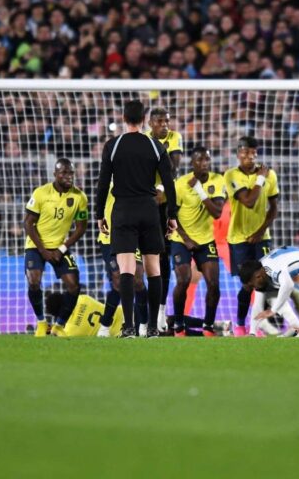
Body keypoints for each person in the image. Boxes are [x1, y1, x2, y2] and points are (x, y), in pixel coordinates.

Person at [96, 100, 178, 338]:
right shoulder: (155, 146)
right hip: (149, 211)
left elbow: (103, 183)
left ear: (124, 118)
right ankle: (152, 327)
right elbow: (169, 182)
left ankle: (129, 327)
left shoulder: (113, 145)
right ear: (144, 119)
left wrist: (100, 213)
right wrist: (171, 215)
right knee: (153, 270)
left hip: (122, 211)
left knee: (127, 270)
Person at [24, 158, 88, 337]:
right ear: (55, 174)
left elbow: (81, 227)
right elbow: (28, 224)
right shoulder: (41, 193)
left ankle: (59, 326)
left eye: (71, 173)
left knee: (74, 285)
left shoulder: (80, 197)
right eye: (64, 173)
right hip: (36, 246)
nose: (68, 177)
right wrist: (43, 250)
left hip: (60, 247)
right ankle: (42, 323)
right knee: (34, 281)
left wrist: (62, 248)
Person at [224, 136, 279, 336]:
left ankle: (258, 326)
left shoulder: (270, 175)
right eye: (245, 152)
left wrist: (260, 231)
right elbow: (248, 201)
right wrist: (261, 178)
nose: (250, 156)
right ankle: (239, 325)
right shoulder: (230, 175)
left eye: (253, 152)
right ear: (238, 154)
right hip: (238, 239)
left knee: (264, 282)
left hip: (262, 237)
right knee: (248, 284)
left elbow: (274, 208)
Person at [171, 146, 227, 337]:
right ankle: (178, 325)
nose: (204, 164)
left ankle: (208, 327)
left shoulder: (217, 180)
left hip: (205, 240)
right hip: (181, 239)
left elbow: (217, 213)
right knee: (184, 279)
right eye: (199, 160)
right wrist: (186, 239)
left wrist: (199, 190)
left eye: (206, 160)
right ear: (192, 163)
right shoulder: (180, 184)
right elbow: (170, 215)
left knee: (214, 284)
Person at [144, 107, 184, 331]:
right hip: (146, 202)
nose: (164, 125)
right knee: (148, 257)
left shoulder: (175, 137)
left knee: (163, 256)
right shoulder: (143, 139)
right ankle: (143, 316)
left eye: (167, 121)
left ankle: (160, 311)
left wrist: (161, 187)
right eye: (160, 122)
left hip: (166, 202)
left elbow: (173, 168)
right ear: (150, 122)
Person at [240, 246, 299, 338]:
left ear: (258, 276)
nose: (254, 288)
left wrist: (273, 310)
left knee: (291, 287)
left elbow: (288, 285)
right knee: (272, 295)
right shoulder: (260, 270)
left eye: (252, 285)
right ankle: (297, 326)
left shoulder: (272, 269)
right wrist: (252, 332)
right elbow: (258, 305)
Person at [97, 183, 149, 337]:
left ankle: (144, 325)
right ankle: (106, 325)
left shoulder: (141, 179)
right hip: (109, 239)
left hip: (133, 238)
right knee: (119, 280)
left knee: (138, 281)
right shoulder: (111, 181)